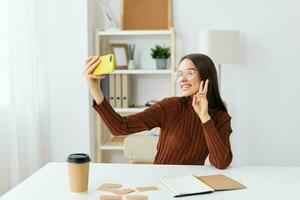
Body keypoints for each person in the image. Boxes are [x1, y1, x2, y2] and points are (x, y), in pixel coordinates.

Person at [83, 53, 233, 169]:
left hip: (193, 187)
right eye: (180, 74)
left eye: (189, 73)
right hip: (162, 183)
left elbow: (221, 162)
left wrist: (204, 117)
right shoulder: (171, 107)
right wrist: (95, 89)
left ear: (206, 77)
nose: (182, 79)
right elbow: (120, 127)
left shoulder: (220, 117)